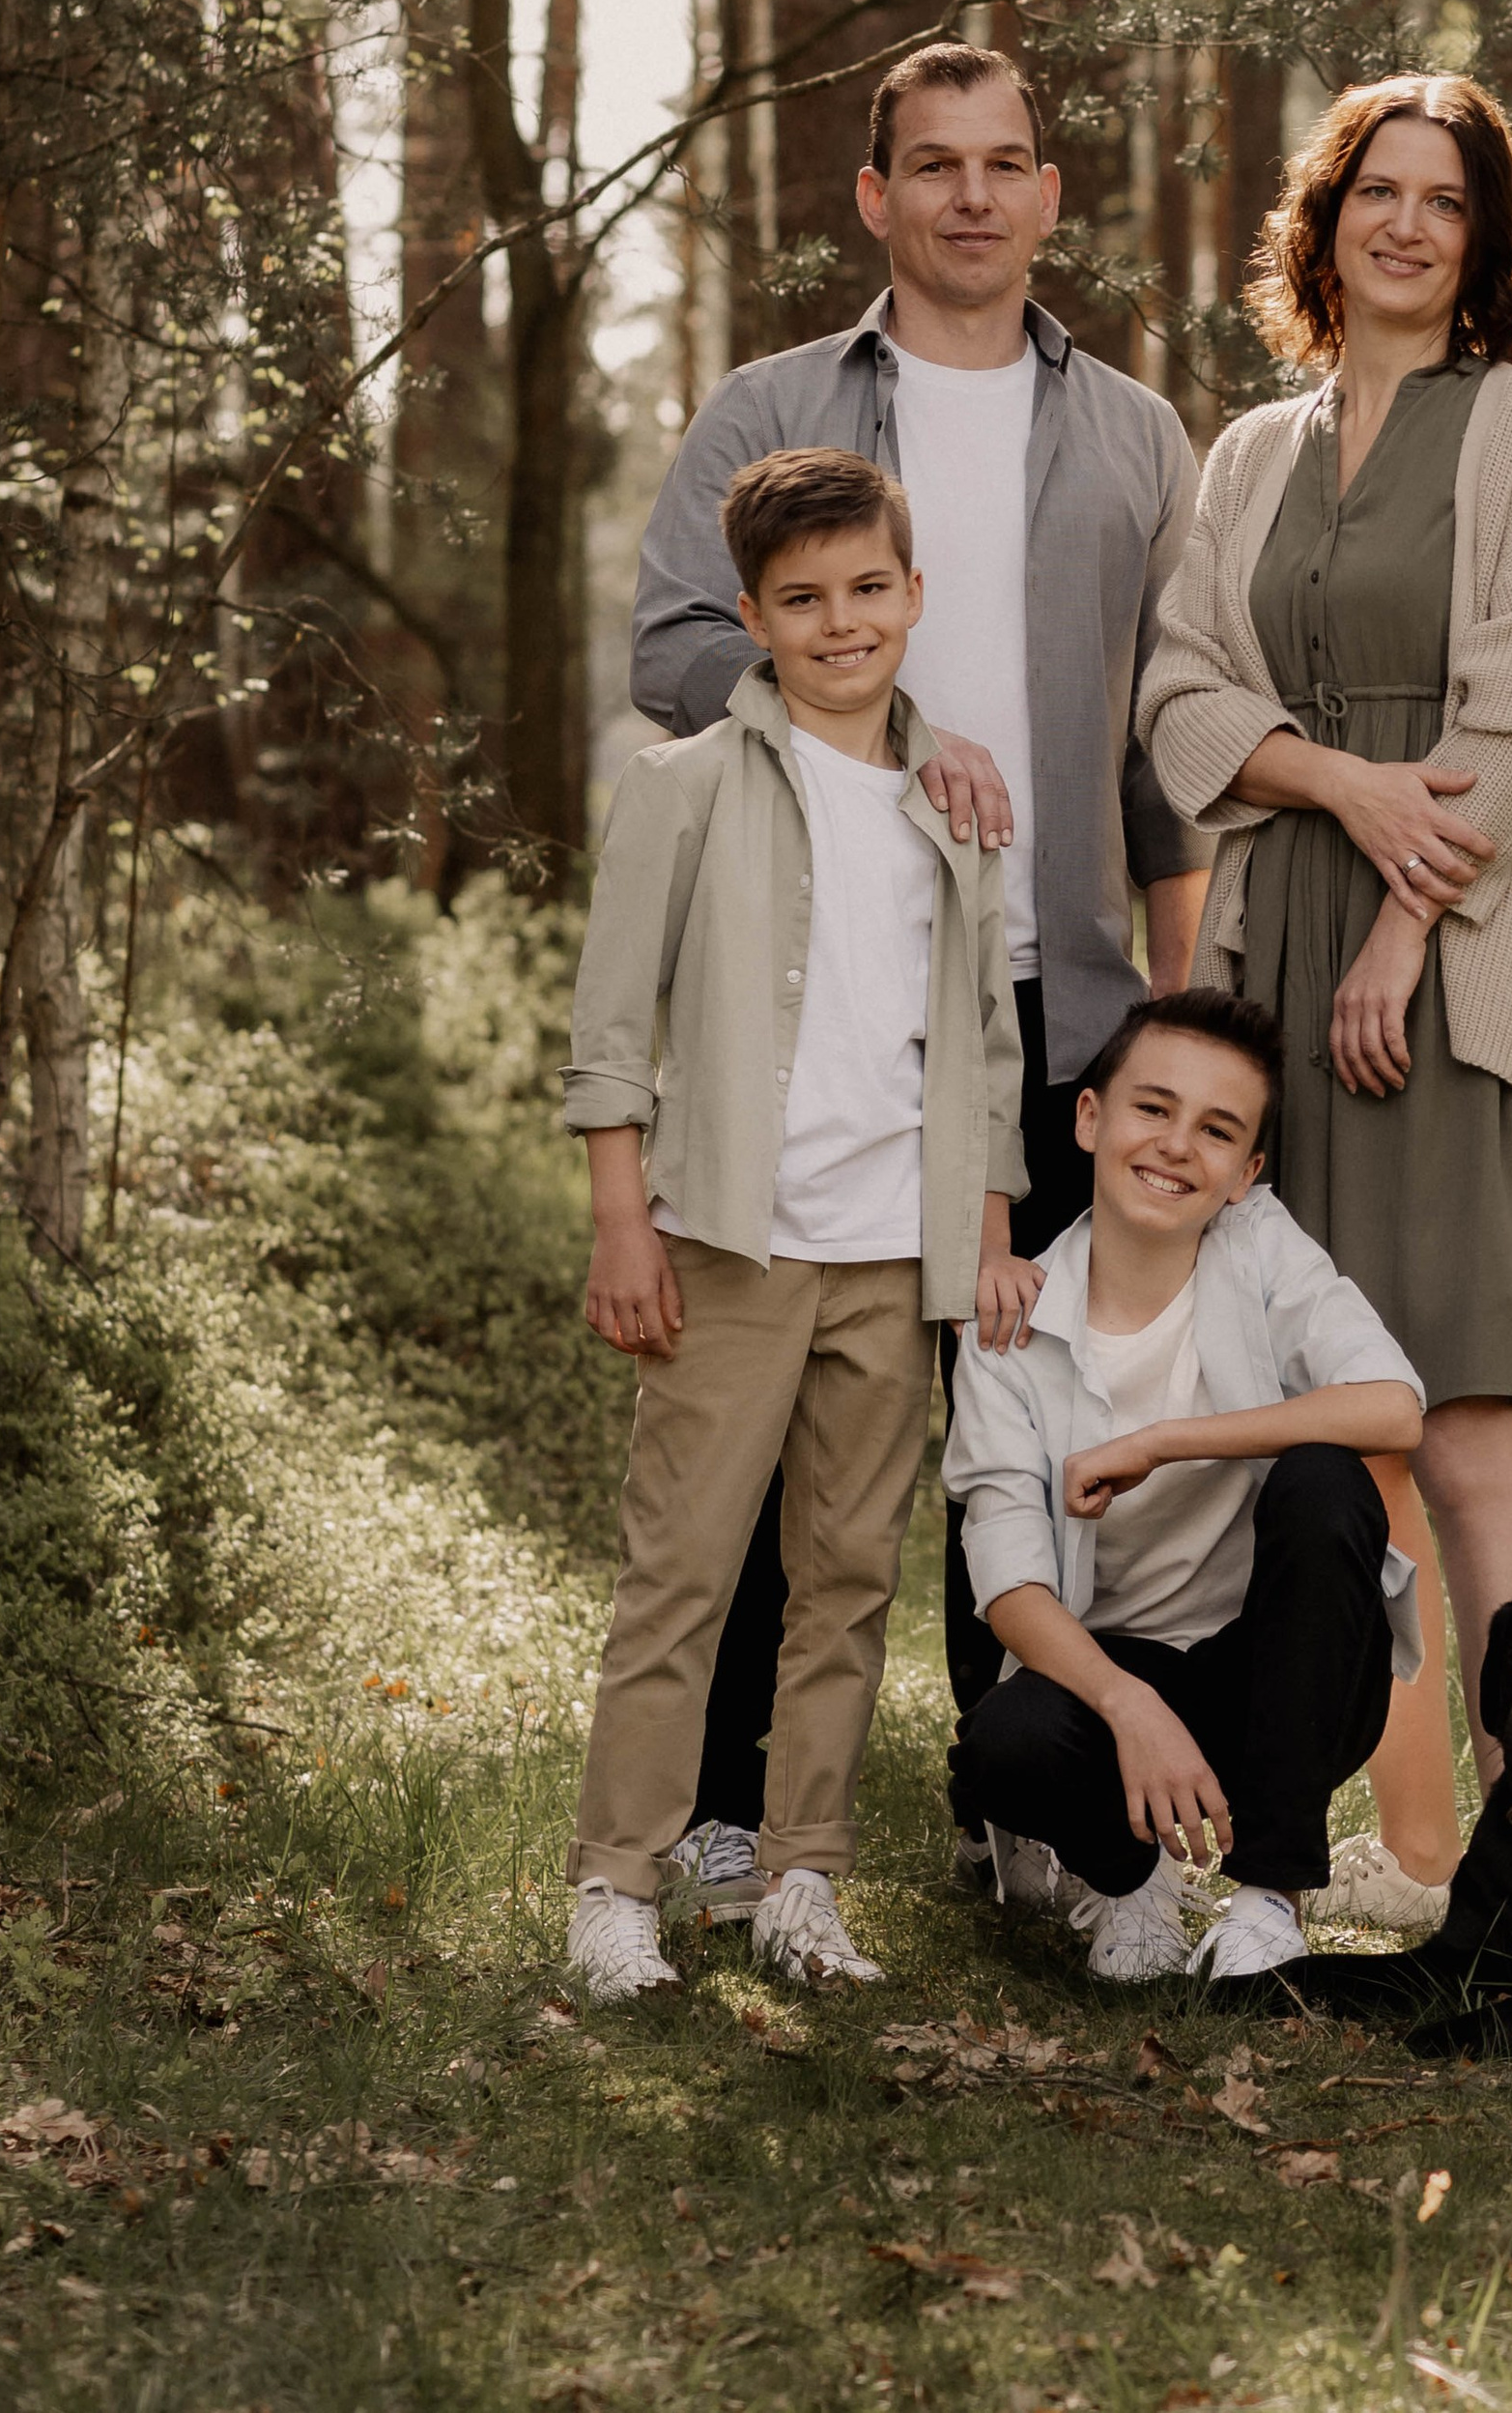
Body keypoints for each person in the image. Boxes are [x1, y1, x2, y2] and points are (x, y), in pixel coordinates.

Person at [629, 42, 1210, 1907]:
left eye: (1008, 162)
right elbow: (666, 647)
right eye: (934, 164)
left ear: (1051, 195)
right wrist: (898, 726)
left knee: (1015, 1419)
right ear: (874, 196)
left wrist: (1180, 1014)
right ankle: (721, 1804)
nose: (974, 193)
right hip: (818, 1006)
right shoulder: (774, 404)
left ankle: (1009, 1796)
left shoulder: (1136, 433)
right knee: (782, 1418)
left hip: (1062, 1003)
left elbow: (1158, 746)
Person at [1137, 74, 1512, 1937]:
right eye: (1376, 191)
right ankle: (1403, 1849)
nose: (1408, 224)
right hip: (1275, 961)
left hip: (1447, 961)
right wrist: (1337, 793)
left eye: (1448, 199)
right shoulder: (1250, 452)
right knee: (1319, 1426)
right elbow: (1185, 690)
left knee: (1459, 1425)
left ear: (1488, 241)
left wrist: (1405, 924)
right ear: (1324, 221)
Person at [559, 445, 1028, 2003]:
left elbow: (985, 1041)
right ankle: (617, 1882)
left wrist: (987, 1236)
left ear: (914, 594)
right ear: (752, 615)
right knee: (684, 1573)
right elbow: (611, 1027)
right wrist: (626, 1224)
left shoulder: (955, 804)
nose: (843, 623)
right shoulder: (684, 788)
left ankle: (802, 1879)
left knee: (845, 1581)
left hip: (895, 1261)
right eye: (805, 599)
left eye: (869, 589)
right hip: (734, 1248)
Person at [944, 991, 1425, 1985]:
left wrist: (1165, 1442)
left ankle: (1269, 1900)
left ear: (1246, 1175)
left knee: (1325, 1478)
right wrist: (1130, 1708)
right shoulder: (1009, 1328)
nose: (1174, 1147)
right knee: (1005, 1742)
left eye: (1216, 1130)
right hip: (1117, 1667)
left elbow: (1393, 1407)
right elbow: (1008, 1589)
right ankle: (1130, 1880)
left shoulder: (1259, 1251)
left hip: (1285, 1675)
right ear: (1090, 1119)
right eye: (1151, 1110)